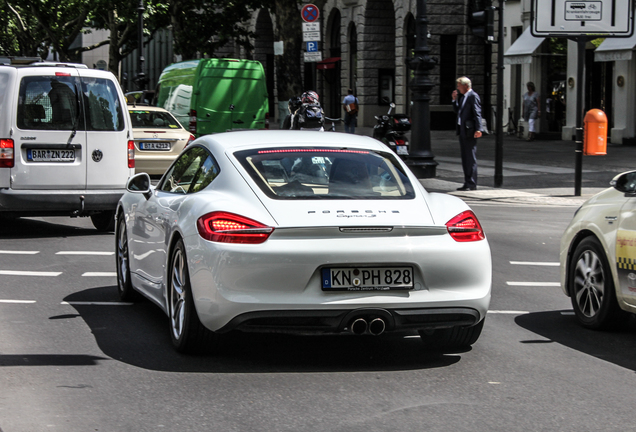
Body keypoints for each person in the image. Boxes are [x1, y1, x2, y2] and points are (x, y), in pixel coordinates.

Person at [452, 76, 483, 191]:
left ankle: (472, 183)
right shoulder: (463, 97)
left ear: (465, 86)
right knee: (465, 158)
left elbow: (477, 112)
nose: (458, 88)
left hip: (470, 131)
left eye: (459, 86)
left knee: (470, 157)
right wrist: (454, 100)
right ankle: (467, 182)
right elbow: (458, 111)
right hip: (462, 130)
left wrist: (479, 129)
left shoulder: (473, 96)